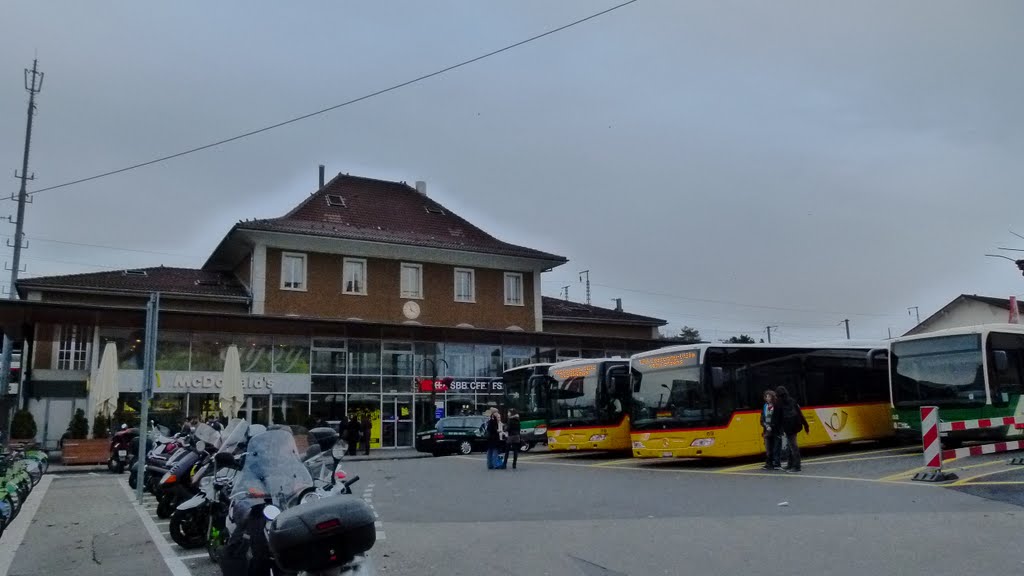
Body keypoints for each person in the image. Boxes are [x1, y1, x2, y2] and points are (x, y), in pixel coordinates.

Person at [775, 385, 810, 472]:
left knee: (793, 446)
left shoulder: (778, 404)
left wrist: (778, 429)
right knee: (791, 445)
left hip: (787, 427)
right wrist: (806, 425)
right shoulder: (792, 400)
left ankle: (797, 466)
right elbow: (799, 413)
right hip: (795, 425)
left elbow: (777, 418)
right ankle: (790, 464)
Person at [760, 390, 781, 470]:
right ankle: (769, 463)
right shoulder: (765, 406)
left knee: (776, 448)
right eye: (766, 396)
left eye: (768, 396)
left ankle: (777, 464)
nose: (767, 398)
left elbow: (778, 418)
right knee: (768, 448)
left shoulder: (776, 406)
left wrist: (772, 426)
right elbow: (762, 419)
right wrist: (765, 425)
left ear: (772, 397)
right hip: (767, 430)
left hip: (775, 430)